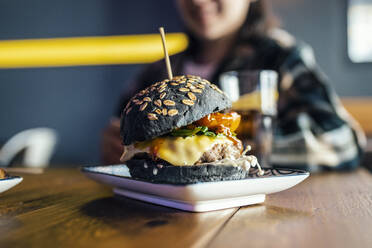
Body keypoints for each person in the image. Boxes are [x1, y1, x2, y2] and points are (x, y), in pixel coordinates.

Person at [102, 0, 365, 171]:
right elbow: (118, 136)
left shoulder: (282, 57)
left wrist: (238, 151)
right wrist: (119, 145)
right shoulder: (157, 72)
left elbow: (343, 144)